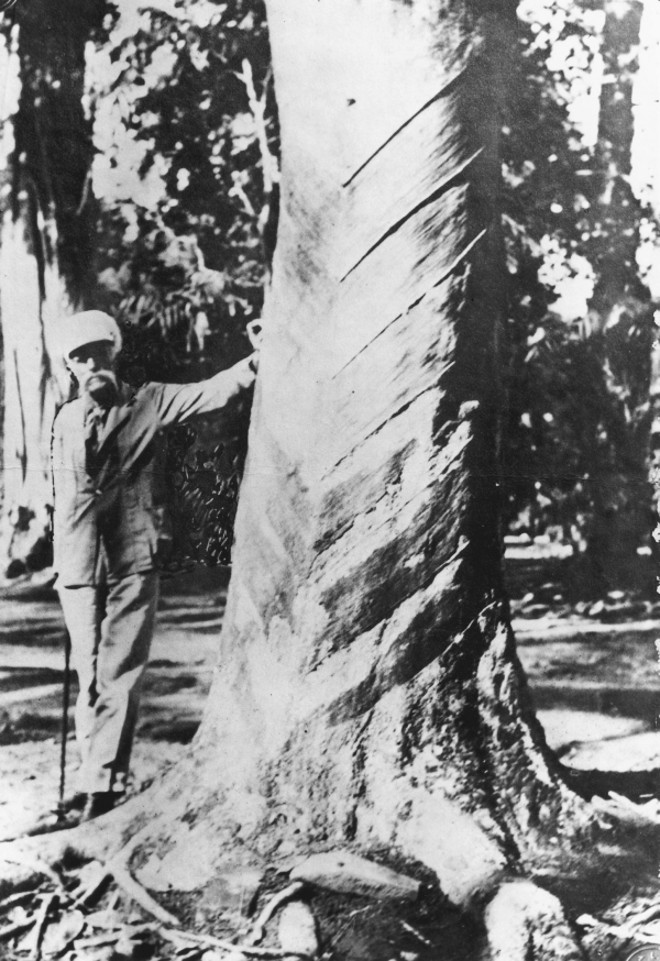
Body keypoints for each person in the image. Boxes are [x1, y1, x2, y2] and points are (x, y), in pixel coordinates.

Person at [51, 310, 258, 821]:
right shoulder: (64, 420)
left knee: (118, 672)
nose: (90, 363)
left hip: (133, 558)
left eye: (98, 351)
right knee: (89, 674)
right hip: (78, 565)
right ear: (69, 366)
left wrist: (259, 356)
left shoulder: (150, 400)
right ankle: (90, 776)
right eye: (79, 357)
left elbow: (214, 391)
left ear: (115, 351)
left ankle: (103, 789)